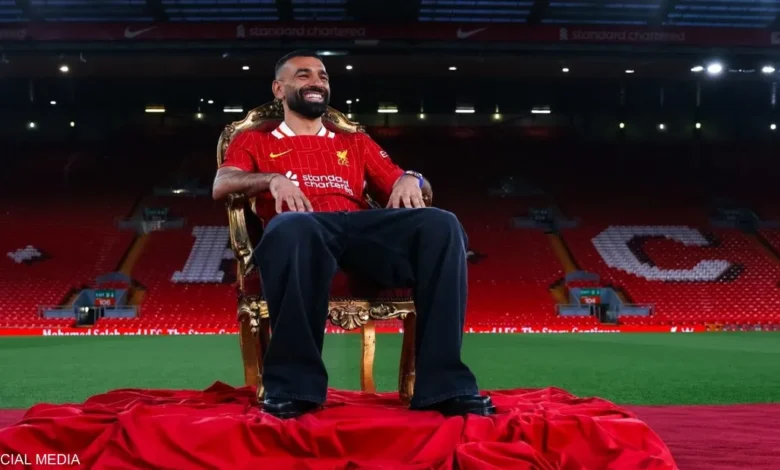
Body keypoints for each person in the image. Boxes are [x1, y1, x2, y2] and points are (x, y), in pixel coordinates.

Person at [212, 50, 495, 419]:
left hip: (360, 228)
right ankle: (295, 388)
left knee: (442, 224)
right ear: (279, 89)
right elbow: (222, 183)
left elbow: (410, 185)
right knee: (290, 226)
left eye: (323, 76)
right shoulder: (254, 139)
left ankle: (445, 387)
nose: (316, 81)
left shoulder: (355, 141)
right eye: (303, 75)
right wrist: (272, 180)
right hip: (304, 228)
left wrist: (413, 178)